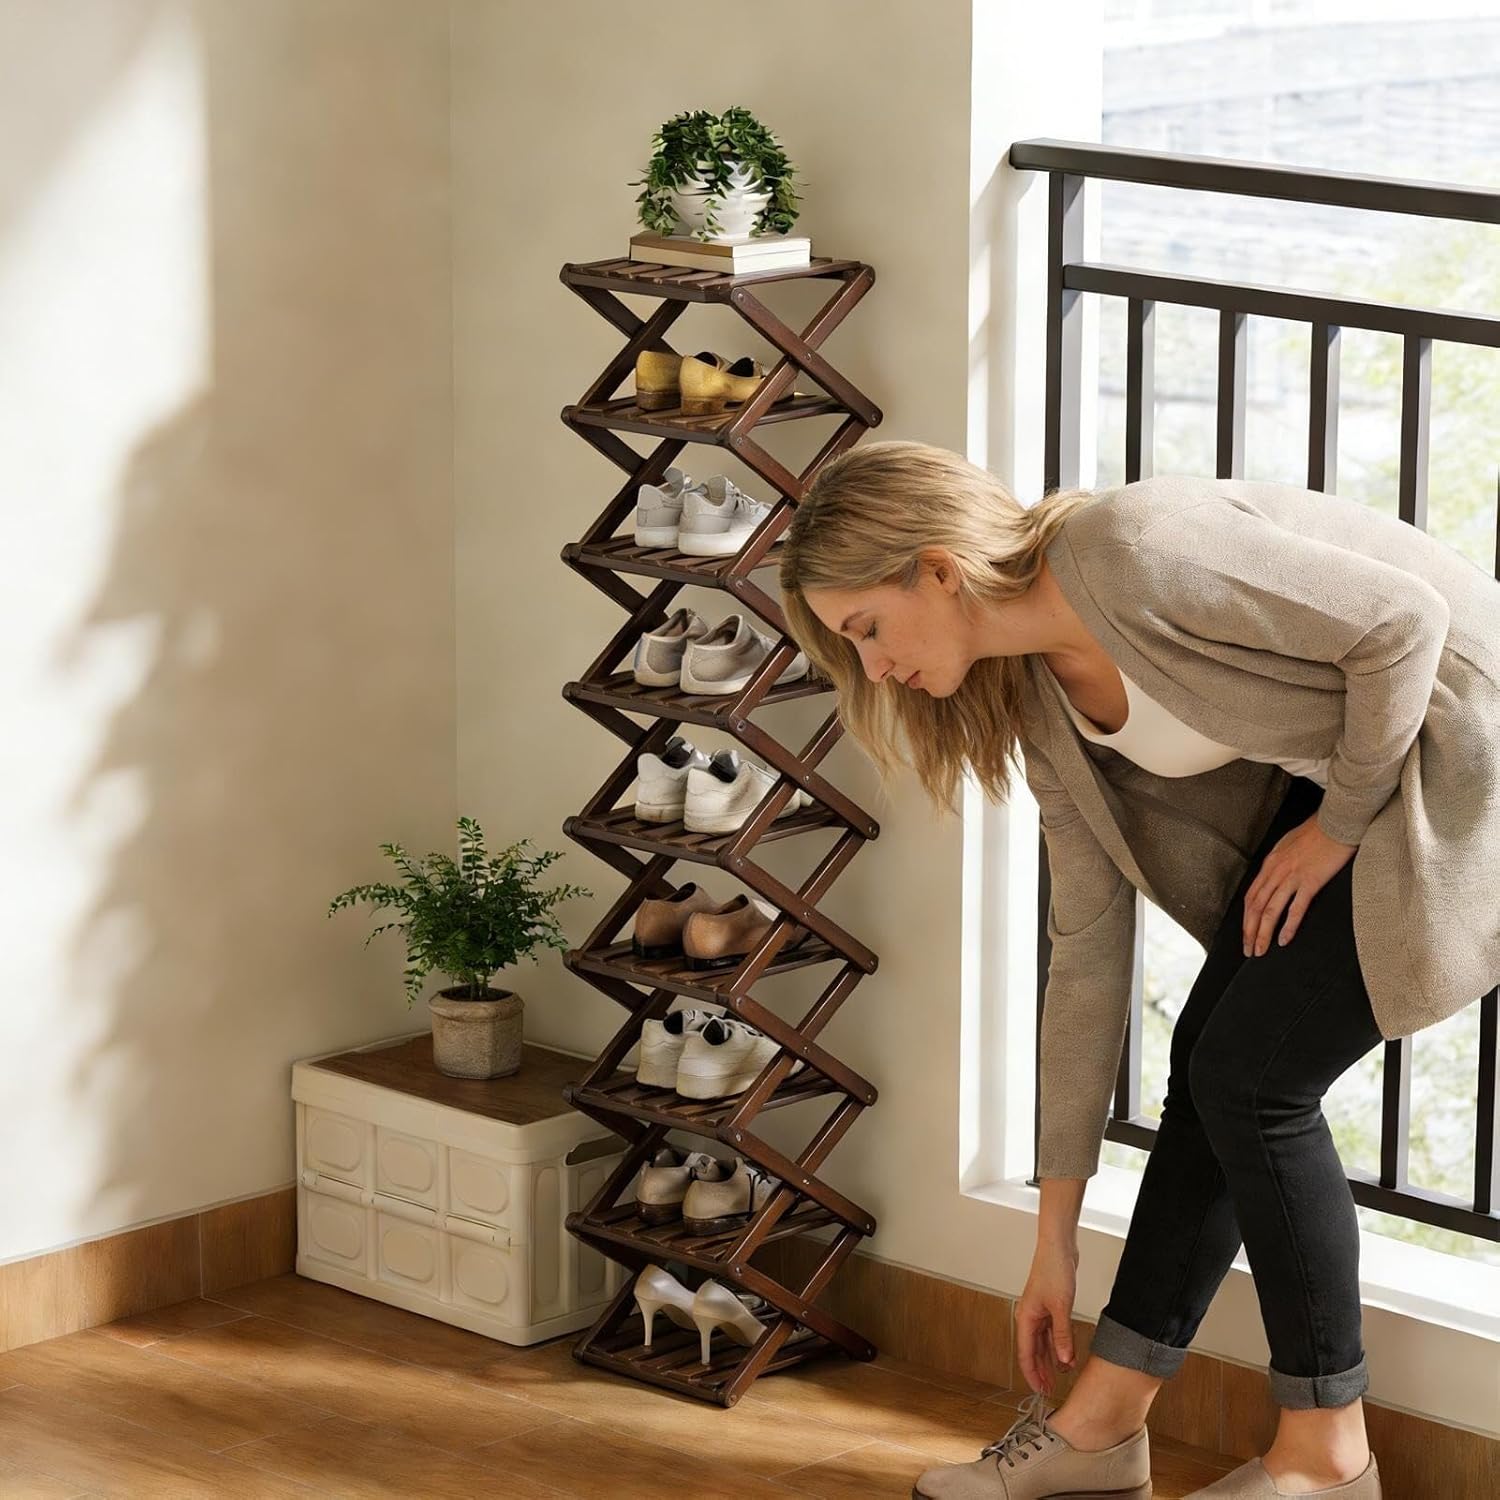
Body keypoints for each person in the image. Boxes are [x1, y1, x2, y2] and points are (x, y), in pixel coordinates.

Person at [778, 439, 1500, 1500]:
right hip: (1365, 781)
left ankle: (1329, 1458)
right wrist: (1054, 1241)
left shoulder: (1131, 549)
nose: (875, 669)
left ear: (936, 568)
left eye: (867, 630)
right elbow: (1086, 951)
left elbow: (1405, 623)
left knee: (1251, 1080)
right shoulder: (1037, 702)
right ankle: (1102, 1427)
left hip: (1463, 763)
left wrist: (1338, 829)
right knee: (1212, 1066)